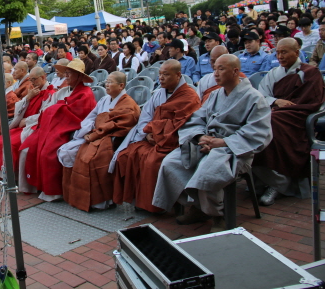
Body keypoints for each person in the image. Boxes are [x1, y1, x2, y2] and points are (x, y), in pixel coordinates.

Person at [153, 55, 272, 231]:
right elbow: (197, 118)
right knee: (170, 163)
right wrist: (200, 137)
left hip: (234, 150)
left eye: (221, 69)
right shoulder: (215, 94)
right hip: (206, 143)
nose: (215, 73)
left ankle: (218, 215)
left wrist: (223, 142)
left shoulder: (254, 98)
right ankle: (199, 206)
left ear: (235, 71)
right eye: (214, 68)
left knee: (207, 170)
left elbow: (258, 132)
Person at [112, 60, 201, 213]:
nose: (161, 78)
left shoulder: (190, 96)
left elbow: (183, 124)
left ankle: (155, 205)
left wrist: (157, 132)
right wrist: (147, 134)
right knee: (126, 155)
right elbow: (146, 116)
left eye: (166, 74)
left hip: (172, 141)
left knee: (152, 161)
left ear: (178, 75)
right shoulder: (159, 93)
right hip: (153, 138)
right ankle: (136, 200)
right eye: (160, 74)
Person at [253, 38, 325, 205]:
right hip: (276, 112)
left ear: (297, 52)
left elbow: (313, 102)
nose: (280, 56)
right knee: (256, 121)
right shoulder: (273, 73)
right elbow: (261, 95)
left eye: (284, 52)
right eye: (278, 53)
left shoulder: (310, 73)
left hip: (298, 117)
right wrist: (275, 101)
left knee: (271, 122)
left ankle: (279, 184)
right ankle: (265, 179)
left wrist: (285, 108)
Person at [58, 72, 140, 211]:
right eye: (106, 82)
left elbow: (117, 126)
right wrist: (87, 130)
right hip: (93, 134)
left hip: (109, 139)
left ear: (121, 86)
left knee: (91, 159)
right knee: (66, 151)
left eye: (110, 82)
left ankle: (99, 201)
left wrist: (95, 134)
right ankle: (74, 196)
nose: (106, 85)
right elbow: (92, 116)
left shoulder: (128, 104)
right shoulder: (104, 99)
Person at [19, 59, 97, 200]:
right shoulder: (64, 90)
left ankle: (54, 192)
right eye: (65, 73)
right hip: (56, 126)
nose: (66, 76)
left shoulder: (86, 93)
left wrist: (57, 109)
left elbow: (79, 114)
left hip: (72, 129)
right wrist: (56, 109)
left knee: (48, 153)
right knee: (33, 146)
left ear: (79, 76)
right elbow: (54, 108)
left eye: (69, 73)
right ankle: (39, 186)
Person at [0, 67, 56, 175]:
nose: (32, 82)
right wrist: (28, 97)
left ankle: (13, 176)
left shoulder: (50, 94)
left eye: (34, 79)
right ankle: (4, 174)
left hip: (35, 127)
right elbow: (18, 108)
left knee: (11, 145)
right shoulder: (33, 91)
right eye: (30, 79)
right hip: (23, 126)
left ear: (43, 77)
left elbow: (45, 114)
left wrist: (27, 121)